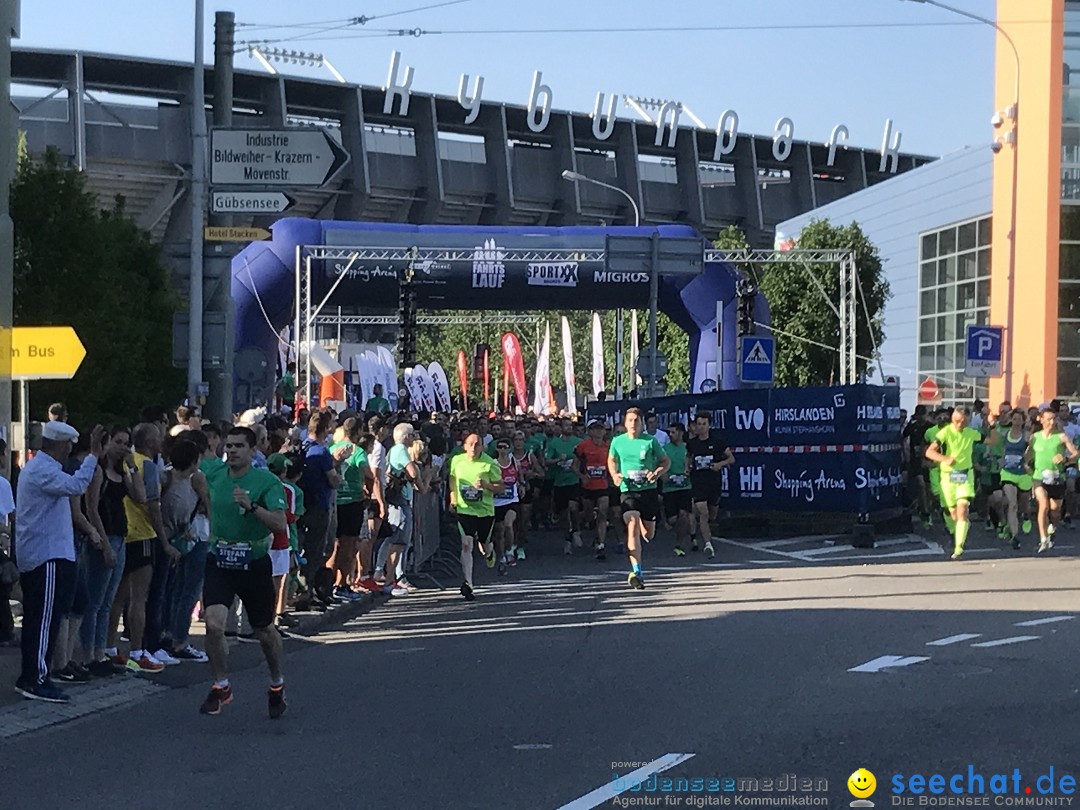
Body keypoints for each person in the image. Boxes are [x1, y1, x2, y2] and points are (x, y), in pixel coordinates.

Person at [199, 426, 289, 717]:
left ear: (252, 451)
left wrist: (251, 507)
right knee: (213, 624)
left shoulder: (266, 481)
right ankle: (221, 685)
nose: (232, 451)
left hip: (254, 562)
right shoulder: (214, 474)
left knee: (264, 630)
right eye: (229, 446)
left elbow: (279, 524)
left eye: (239, 446)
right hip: (220, 559)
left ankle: (277, 683)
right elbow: (189, 468)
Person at [14, 421, 105, 703]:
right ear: (61, 444)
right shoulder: (42, 470)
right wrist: (93, 456)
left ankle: (36, 674)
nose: (69, 450)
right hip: (47, 555)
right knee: (43, 620)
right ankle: (35, 678)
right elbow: (77, 485)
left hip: (49, 553)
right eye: (68, 444)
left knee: (45, 618)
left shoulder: (43, 468)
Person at [108, 423, 179, 673]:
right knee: (139, 598)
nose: (161, 442)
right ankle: (138, 650)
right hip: (141, 535)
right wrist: (164, 540)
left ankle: (109, 648)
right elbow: (152, 505)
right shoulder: (146, 465)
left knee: (116, 598)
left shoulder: (121, 462)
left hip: (120, 534)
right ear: (151, 442)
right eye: (158, 438)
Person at [607, 407, 669, 590]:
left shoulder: (650, 442)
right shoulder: (617, 442)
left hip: (648, 491)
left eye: (637, 421)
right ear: (625, 423)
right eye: (630, 420)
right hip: (628, 490)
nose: (633, 424)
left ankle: (646, 525)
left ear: (642, 424)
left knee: (648, 534)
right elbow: (611, 460)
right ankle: (637, 572)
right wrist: (615, 475)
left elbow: (666, 462)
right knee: (632, 525)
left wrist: (657, 473)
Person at [925, 407, 998, 560]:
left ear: (968, 421)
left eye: (963, 422)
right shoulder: (944, 433)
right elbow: (929, 452)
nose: (959, 424)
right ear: (952, 420)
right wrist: (945, 459)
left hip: (965, 475)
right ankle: (954, 531)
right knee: (951, 512)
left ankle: (959, 546)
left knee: (962, 510)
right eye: (957, 421)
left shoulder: (971, 433)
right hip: (947, 477)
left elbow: (993, 440)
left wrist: (992, 426)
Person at [295, 411, 343, 609]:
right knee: (315, 550)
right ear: (324, 429)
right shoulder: (321, 451)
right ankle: (306, 592)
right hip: (318, 505)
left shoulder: (301, 446)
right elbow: (333, 479)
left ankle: (299, 590)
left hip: (300, 503)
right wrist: (339, 470)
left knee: (299, 548)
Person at [449, 433, 503, 601]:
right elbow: (452, 478)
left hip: (485, 511)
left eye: (477, 444)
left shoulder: (489, 464)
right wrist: (453, 499)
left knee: (485, 546)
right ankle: (468, 583)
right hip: (465, 509)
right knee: (466, 544)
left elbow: (501, 488)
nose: (473, 448)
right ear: (464, 446)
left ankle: (489, 553)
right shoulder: (457, 460)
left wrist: (486, 485)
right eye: (470, 444)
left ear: (482, 447)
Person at [380, 423, 424, 597]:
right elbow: (412, 472)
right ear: (406, 437)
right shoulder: (400, 450)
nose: (414, 438)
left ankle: (387, 577)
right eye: (412, 435)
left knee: (397, 541)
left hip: (399, 499)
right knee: (397, 541)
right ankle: (390, 580)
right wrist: (420, 484)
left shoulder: (395, 450)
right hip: (398, 501)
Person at [1028, 407, 1079, 553]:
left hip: (1057, 477)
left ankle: (1053, 526)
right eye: (1048, 419)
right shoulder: (1035, 437)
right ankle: (1043, 539)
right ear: (1041, 420)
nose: (1051, 422)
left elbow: (1075, 453)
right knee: (1043, 505)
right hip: (1039, 477)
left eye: (1053, 419)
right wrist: (1026, 466)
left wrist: (1066, 458)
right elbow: (1028, 455)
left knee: (1055, 511)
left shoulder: (1061, 436)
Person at [686, 410, 734, 558]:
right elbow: (688, 456)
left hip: (713, 483)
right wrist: (686, 468)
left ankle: (707, 530)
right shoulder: (692, 443)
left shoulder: (717, 442)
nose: (701, 427)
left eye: (704, 424)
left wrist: (720, 464)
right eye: (698, 424)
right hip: (698, 482)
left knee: (712, 513)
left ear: (709, 425)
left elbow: (731, 459)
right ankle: (708, 543)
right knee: (703, 512)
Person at [575, 419, 612, 560]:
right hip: (587, 486)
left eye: (600, 429)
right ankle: (578, 525)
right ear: (590, 431)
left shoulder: (608, 446)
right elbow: (574, 465)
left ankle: (601, 545)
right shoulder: (583, 446)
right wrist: (582, 476)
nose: (598, 432)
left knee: (603, 513)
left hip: (602, 486)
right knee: (589, 515)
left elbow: (613, 464)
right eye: (595, 429)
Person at [546, 418, 583, 555]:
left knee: (574, 507)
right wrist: (558, 460)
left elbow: (585, 459)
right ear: (560, 428)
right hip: (559, 482)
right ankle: (567, 538)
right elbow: (546, 461)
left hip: (574, 480)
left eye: (570, 425)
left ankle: (576, 531)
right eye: (566, 425)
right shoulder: (555, 443)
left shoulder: (578, 442)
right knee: (563, 513)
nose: (568, 427)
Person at [999, 408, 1033, 549]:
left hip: (1023, 474)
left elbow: (1031, 452)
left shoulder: (1027, 436)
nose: (1016, 422)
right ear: (1010, 420)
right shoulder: (1004, 434)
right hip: (1008, 473)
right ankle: (1015, 536)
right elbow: (1001, 449)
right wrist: (1000, 461)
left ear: (1023, 421)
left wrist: (1027, 463)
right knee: (1012, 504)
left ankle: (1025, 516)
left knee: (1023, 504)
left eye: (1019, 419)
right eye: (1014, 419)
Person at [663, 423, 694, 556]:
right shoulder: (664, 449)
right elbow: (659, 465)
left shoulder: (688, 449)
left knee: (684, 514)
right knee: (673, 520)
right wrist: (663, 475)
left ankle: (679, 544)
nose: (670, 435)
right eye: (669, 433)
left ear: (681, 433)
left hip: (685, 487)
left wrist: (689, 472)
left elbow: (693, 465)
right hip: (669, 489)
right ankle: (668, 521)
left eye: (673, 432)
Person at [492, 438, 521, 574]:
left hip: (511, 500)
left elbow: (519, 477)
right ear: (497, 449)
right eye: (500, 447)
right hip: (497, 501)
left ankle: (509, 551)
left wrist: (522, 485)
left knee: (509, 525)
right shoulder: (493, 464)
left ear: (509, 449)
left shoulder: (514, 461)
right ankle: (501, 558)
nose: (503, 449)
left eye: (505, 447)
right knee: (499, 532)